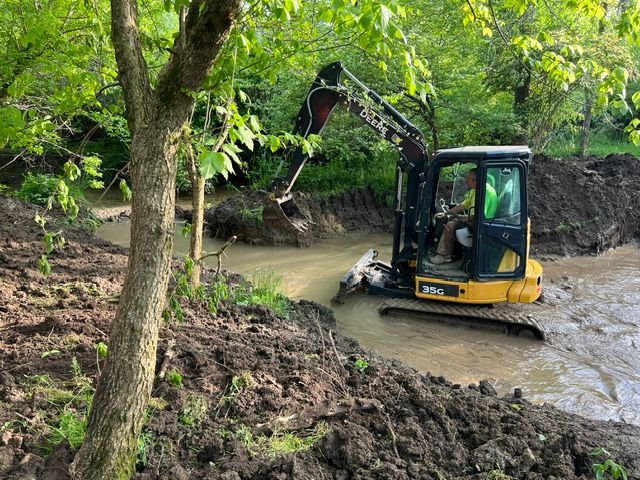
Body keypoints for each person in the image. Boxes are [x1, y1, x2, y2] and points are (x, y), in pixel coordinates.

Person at [430, 168, 497, 264]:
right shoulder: (476, 190)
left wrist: (464, 218)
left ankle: (444, 255)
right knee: (453, 218)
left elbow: (480, 215)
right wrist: (446, 213)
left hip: (481, 226)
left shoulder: (485, 192)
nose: (466, 180)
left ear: (474, 180)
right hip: (476, 220)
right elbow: (464, 205)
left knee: (450, 225)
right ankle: (453, 253)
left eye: (468, 178)